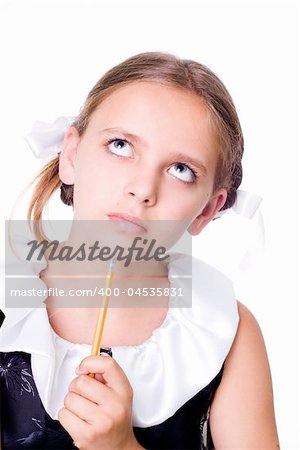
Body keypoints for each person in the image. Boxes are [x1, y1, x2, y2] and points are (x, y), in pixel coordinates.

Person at [0, 52, 279, 449]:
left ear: (208, 210)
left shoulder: (227, 333)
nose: (143, 189)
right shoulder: (7, 311)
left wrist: (122, 446)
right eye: (120, 145)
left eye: (181, 169)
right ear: (71, 157)